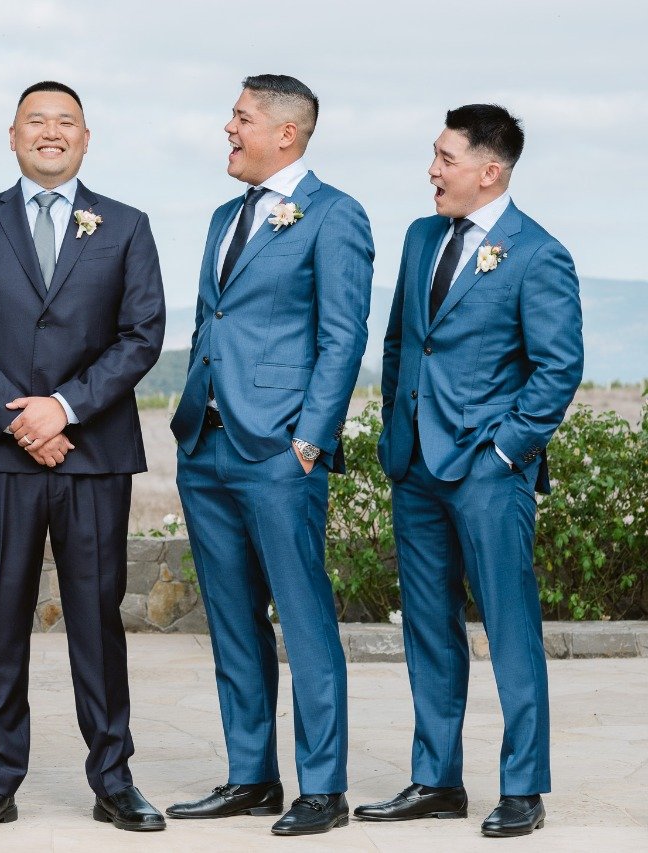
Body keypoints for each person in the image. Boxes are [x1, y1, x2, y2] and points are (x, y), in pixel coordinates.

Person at [0, 81, 167, 833]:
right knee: (0, 617)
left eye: (67, 122)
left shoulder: (127, 226)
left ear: (88, 139)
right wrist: (22, 419)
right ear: (12, 135)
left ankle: (114, 778)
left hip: (92, 452)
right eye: (38, 121)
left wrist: (61, 409)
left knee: (98, 616)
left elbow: (142, 334)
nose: (52, 132)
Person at [361, 104, 583, 838]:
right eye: (434, 155)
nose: (432, 170)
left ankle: (523, 785)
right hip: (416, 468)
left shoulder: (537, 253)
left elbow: (557, 369)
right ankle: (436, 778)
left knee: (511, 626)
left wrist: (503, 450)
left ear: (489, 171)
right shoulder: (421, 237)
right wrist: (400, 434)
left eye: (445, 158)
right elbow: (400, 343)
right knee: (428, 628)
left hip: (490, 472)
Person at [168, 74, 373, 836]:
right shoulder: (225, 214)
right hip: (207, 446)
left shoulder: (336, 215)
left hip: (282, 453)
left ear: (285, 133)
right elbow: (211, 320)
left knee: (304, 617)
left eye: (241, 117)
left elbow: (341, 335)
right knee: (231, 620)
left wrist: (310, 439)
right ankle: (251, 774)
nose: (228, 127)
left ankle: (322, 787)